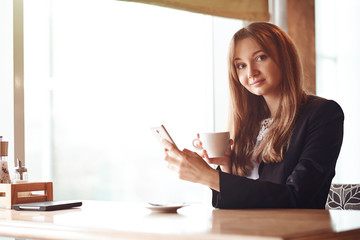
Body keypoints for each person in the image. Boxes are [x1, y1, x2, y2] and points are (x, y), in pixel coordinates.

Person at [161, 22, 344, 209]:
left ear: (284, 58)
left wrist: (208, 176)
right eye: (240, 65)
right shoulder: (250, 124)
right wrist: (227, 166)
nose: (251, 73)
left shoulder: (324, 114)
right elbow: (242, 200)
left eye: (260, 58)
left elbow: (297, 197)